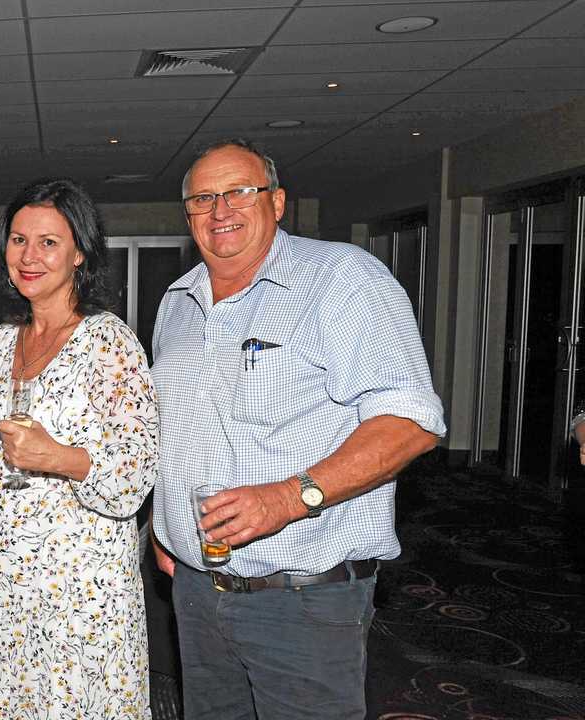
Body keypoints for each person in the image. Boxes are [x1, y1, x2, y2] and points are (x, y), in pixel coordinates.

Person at [149, 138, 446, 720]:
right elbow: (176, 428)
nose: (220, 211)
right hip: (196, 592)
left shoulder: (341, 279)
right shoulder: (177, 302)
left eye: (239, 191)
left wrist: (290, 497)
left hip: (302, 598)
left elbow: (411, 422)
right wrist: (165, 529)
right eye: (202, 199)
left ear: (277, 201)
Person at [0, 177, 159, 719]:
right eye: (19, 240)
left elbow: (136, 475)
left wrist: (59, 457)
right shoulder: (0, 342)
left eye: (48, 242)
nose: (29, 256)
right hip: (2, 586)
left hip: (80, 596)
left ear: (79, 254)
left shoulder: (108, 341)